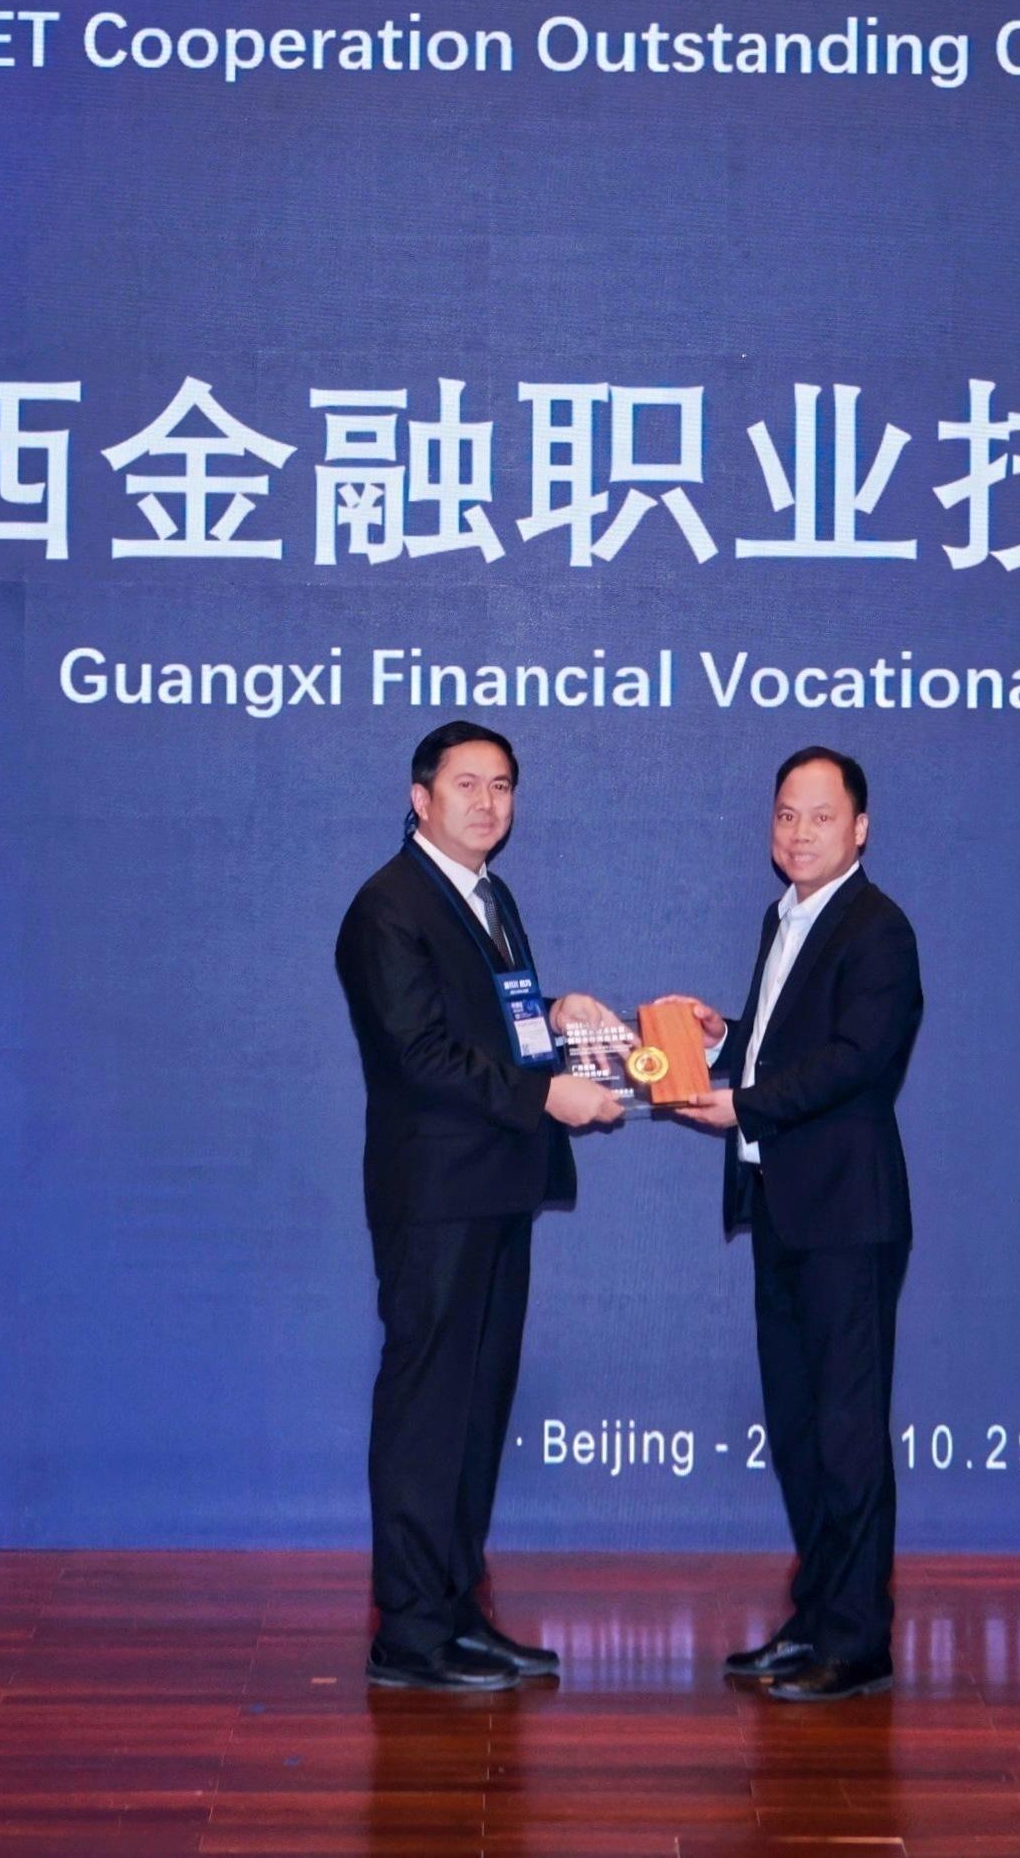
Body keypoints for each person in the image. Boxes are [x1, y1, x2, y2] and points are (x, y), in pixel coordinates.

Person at [334, 720, 627, 1690]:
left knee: (473, 1408)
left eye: (501, 785)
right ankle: (409, 1635)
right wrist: (546, 1096)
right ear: (419, 797)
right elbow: (422, 1055)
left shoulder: (487, 896)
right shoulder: (388, 906)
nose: (487, 802)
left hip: (494, 1191)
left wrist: (557, 1015)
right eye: (466, 783)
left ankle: (457, 1609)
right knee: (428, 1412)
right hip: (435, 1200)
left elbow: (489, 1027)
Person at [664, 745, 922, 1702]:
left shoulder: (876, 927)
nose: (798, 832)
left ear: (860, 828)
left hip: (846, 1215)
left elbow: (857, 1059)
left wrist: (745, 1102)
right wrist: (727, 1041)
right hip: (784, 1207)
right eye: (785, 814)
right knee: (802, 1428)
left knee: (846, 1432)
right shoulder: (785, 916)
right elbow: (791, 1044)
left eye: (820, 816)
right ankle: (814, 1619)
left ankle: (855, 1642)